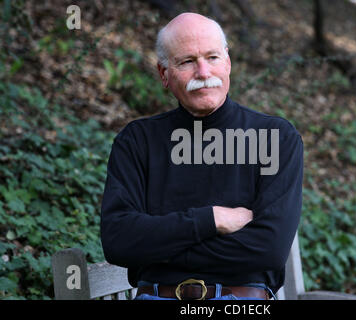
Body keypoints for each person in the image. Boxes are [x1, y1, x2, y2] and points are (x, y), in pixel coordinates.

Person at [100, 12, 304, 300]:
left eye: (212, 58)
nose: (204, 73)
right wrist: (211, 220)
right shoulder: (137, 141)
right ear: (164, 74)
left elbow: (268, 250)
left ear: (228, 63)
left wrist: (157, 246)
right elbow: (118, 241)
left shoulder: (275, 137)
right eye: (187, 61)